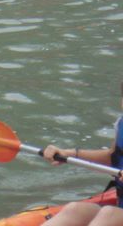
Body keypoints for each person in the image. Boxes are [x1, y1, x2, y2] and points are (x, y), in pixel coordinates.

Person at [38, 84, 123, 225]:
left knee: (109, 214)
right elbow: (112, 157)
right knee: (75, 210)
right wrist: (69, 153)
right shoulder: (121, 123)